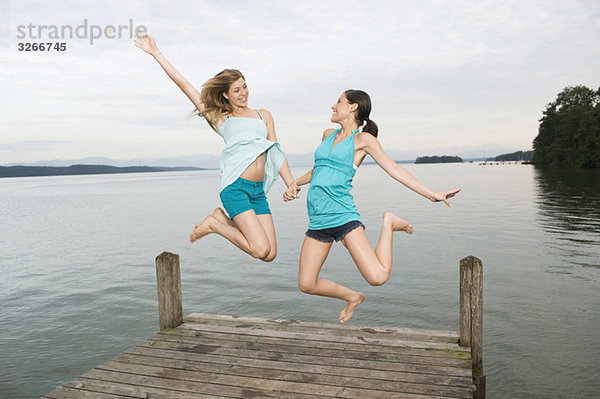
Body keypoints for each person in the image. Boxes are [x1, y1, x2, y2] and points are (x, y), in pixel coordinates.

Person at [284, 90, 460, 323]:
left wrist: (431, 194)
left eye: (338, 102)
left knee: (377, 277)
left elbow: (394, 169)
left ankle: (389, 222)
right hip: (317, 221)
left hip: (343, 217)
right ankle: (352, 297)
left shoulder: (363, 141)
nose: (333, 106)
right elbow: (319, 170)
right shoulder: (327, 135)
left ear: (353, 107)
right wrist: (293, 184)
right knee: (306, 283)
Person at [135, 33, 298, 262]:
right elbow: (184, 85)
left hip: (257, 191)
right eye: (236, 90)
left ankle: (221, 220)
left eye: (244, 87)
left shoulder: (264, 115)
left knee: (270, 254)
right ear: (225, 94)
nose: (243, 94)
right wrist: (156, 53)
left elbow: (276, 151)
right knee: (260, 249)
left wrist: (290, 183)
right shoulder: (222, 118)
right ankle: (215, 224)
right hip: (236, 187)